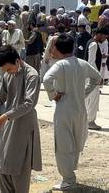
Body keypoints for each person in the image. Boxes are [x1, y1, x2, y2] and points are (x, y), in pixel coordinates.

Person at [43, 34, 102, 191]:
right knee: (76, 141)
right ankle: (70, 174)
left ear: (59, 48)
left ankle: (68, 178)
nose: (52, 50)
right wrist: (84, 93)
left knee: (63, 144)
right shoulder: (82, 63)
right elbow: (97, 78)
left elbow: (46, 79)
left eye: (54, 47)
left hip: (64, 109)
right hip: (80, 109)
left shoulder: (60, 65)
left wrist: (53, 94)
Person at [0, 45, 42, 193]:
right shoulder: (8, 75)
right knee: (3, 166)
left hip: (24, 125)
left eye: (8, 69)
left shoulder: (31, 75)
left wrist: (5, 116)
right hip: (9, 124)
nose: (6, 73)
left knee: (19, 167)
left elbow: (29, 104)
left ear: (17, 61)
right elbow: (0, 97)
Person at [84, 27, 109, 130]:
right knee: (93, 99)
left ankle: (86, 120)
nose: (104, 39)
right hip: (92, 76)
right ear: (99, 34)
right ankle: (90, 121)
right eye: (104, 36)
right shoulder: (94, 44)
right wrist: (98, 76)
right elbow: (91, 62)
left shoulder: (92, 42)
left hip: (89, 75)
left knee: (88, 99)